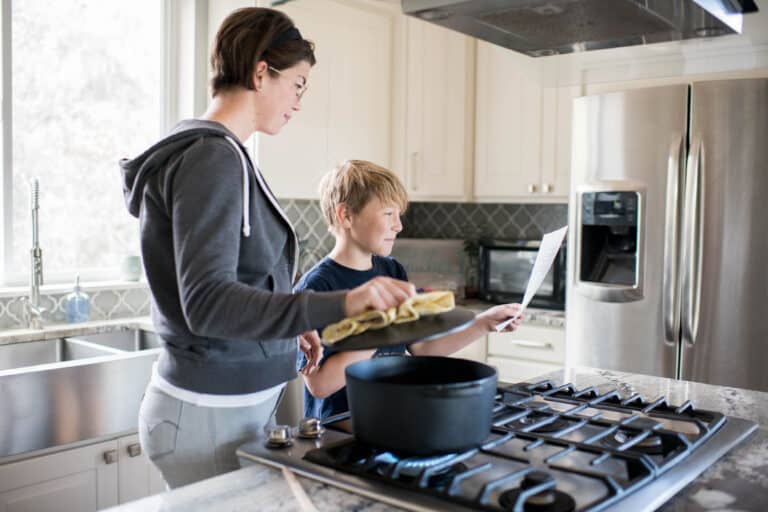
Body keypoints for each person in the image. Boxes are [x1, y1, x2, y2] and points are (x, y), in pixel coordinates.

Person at [119, 9, 414, 489]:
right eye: (297, 84)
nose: (299, 101)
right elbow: (207, 302)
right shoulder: (213, 157)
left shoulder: (223, 154)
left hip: (220, 412)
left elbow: (236, 284)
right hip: (206, 416)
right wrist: (342, 302)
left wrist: (284, 330)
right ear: (261, 72)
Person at [295, 160, 522, 420]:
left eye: (398, 215)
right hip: (338, 433)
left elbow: (422, 348)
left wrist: (483, 323)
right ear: (346, 215)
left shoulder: (392, 271)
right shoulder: (316, 288)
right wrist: (381, 333)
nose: (398, 226)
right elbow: (319, 385)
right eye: (388, 214)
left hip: (391, 421)